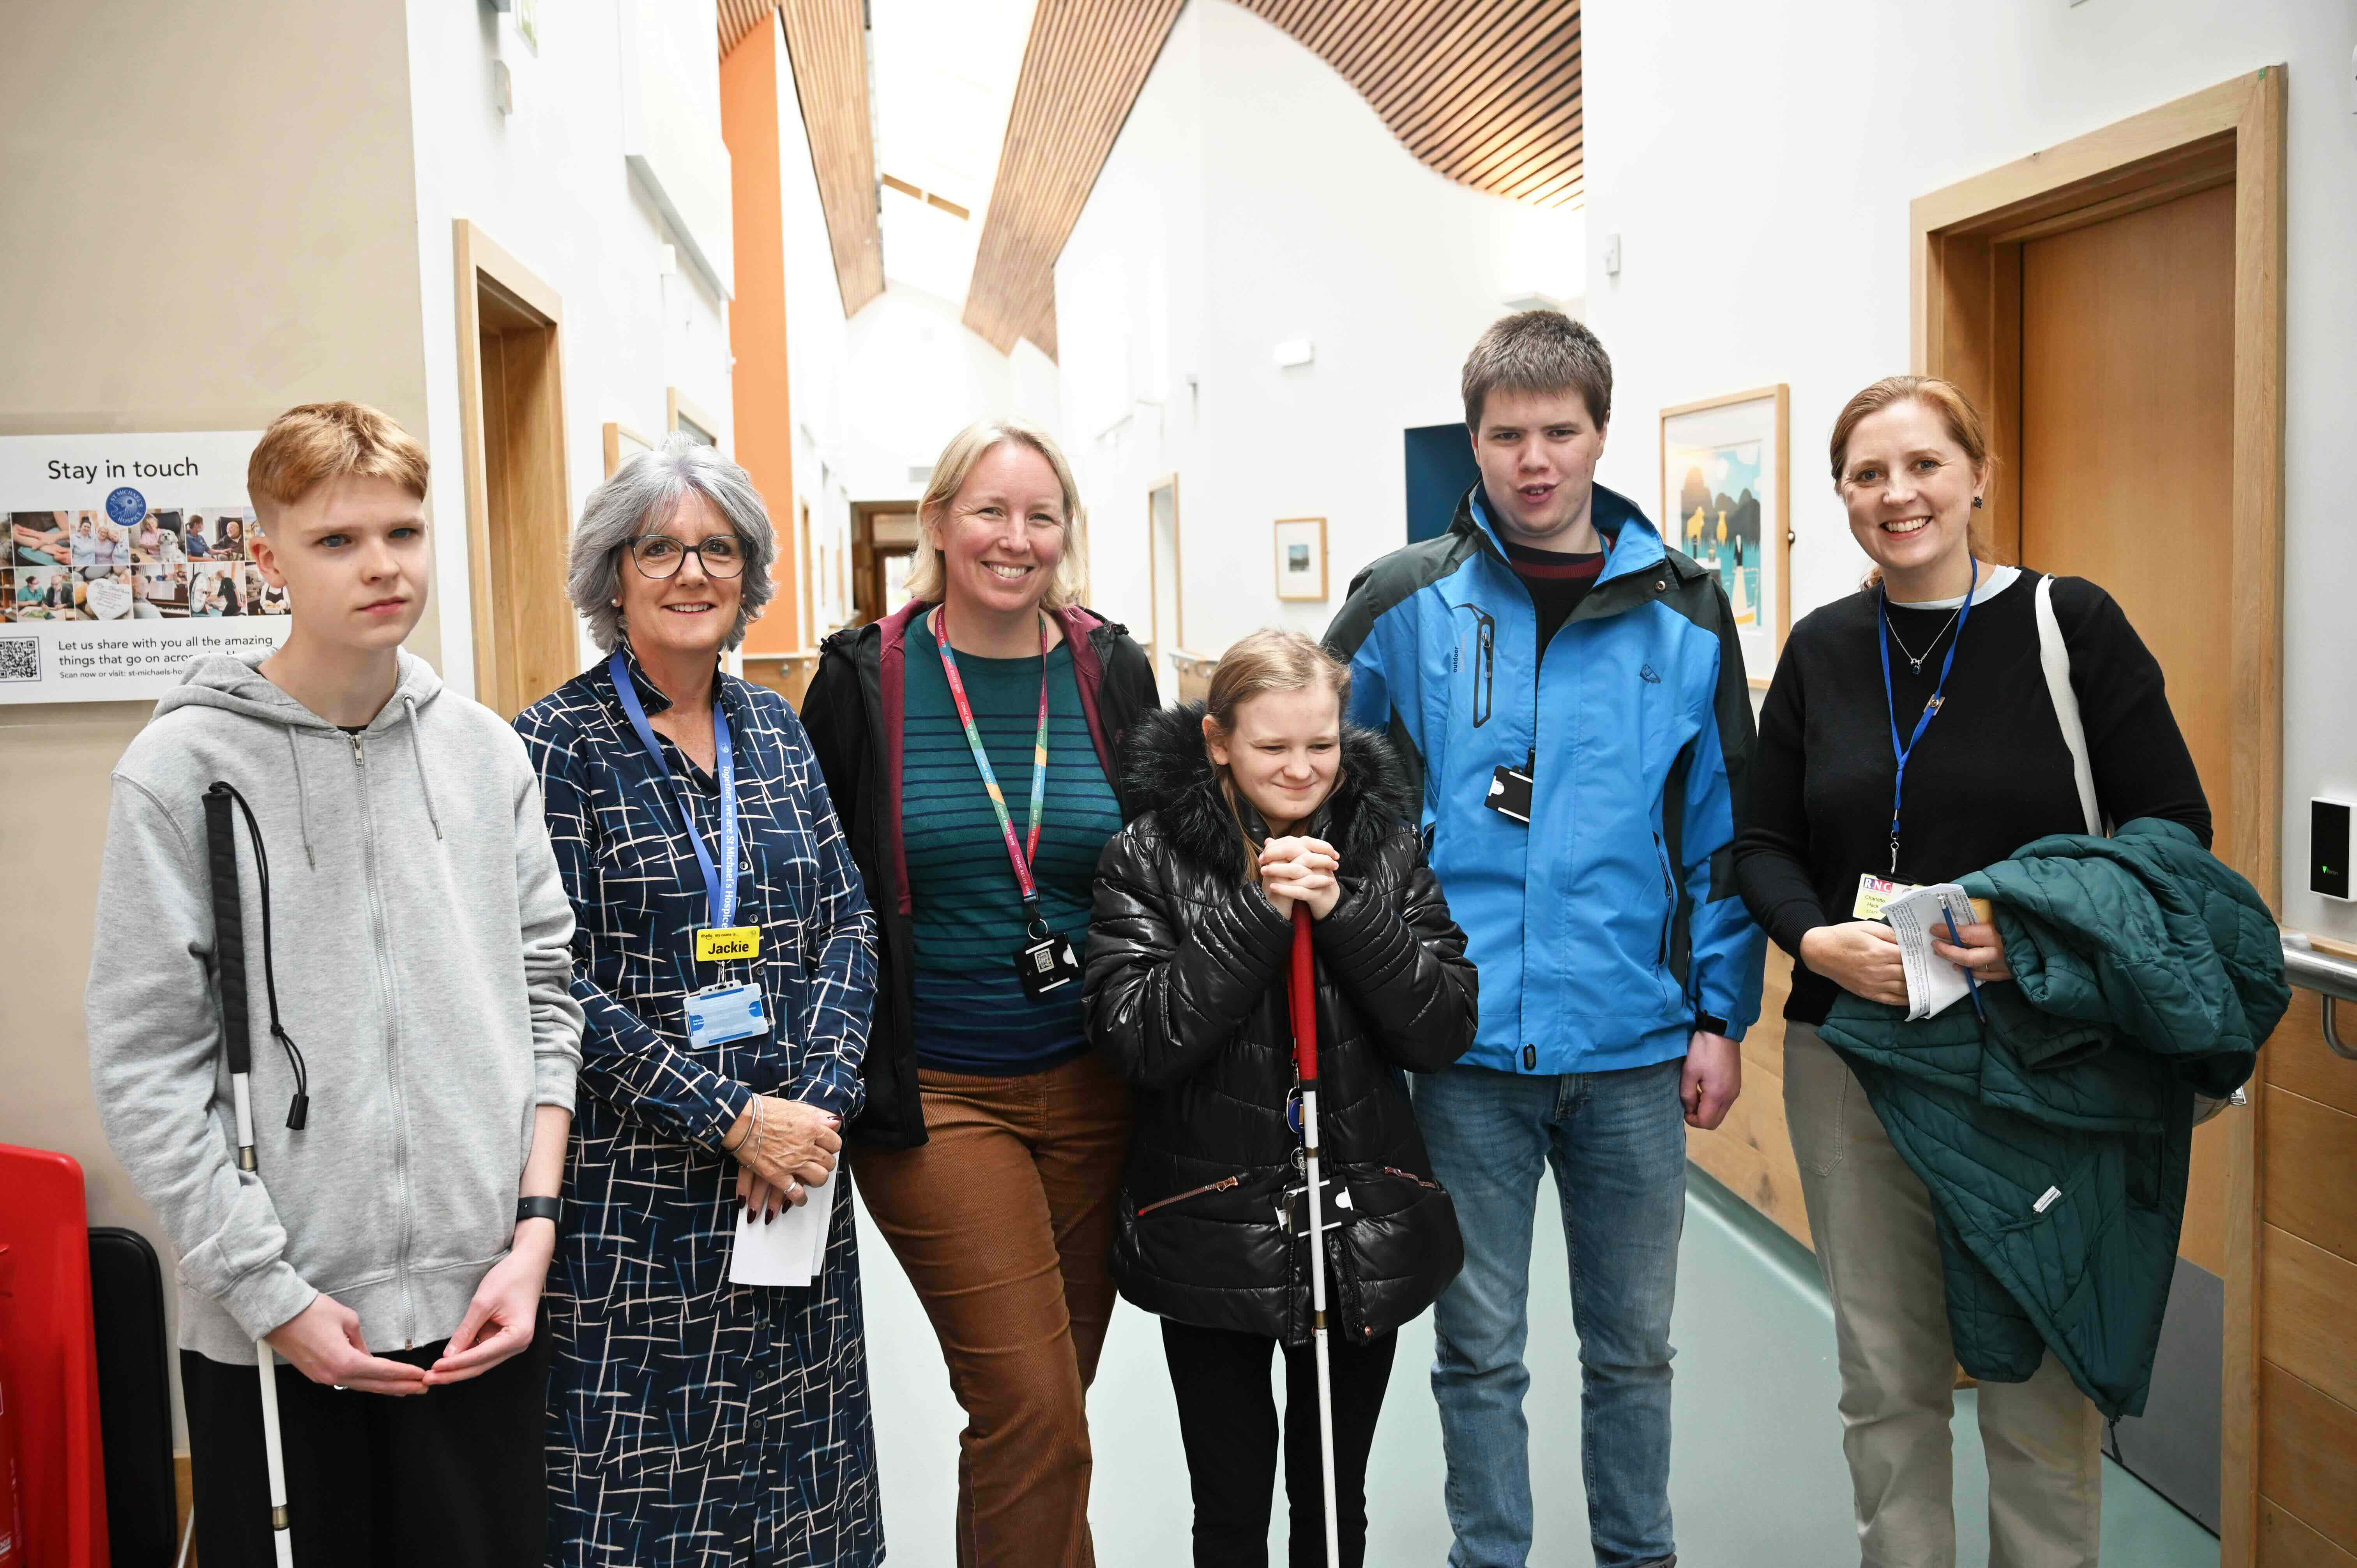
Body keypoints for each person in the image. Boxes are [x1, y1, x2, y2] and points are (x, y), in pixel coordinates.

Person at [85, 401, 583, 1567]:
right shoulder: (181, 772)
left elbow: (547, 995)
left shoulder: (484, 754)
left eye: (404, 534)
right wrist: (272, 1293)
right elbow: (146, 1065)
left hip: (483, 1312)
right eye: (337, 541)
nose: (381, 567)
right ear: (266, 559)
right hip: (284, 1326)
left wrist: (533, 1234)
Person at [1732, 376, 2212, 1567]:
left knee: (2040, 1389)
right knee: (1887, 1384)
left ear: (1978, 476)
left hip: (2032, 1059)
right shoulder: (1824, 648)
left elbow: (2172, 832)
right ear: (1841, 496)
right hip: (1856, 1055)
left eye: (1924, 466)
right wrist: (1814, 939)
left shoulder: (2070, 625)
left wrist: (2032, 934)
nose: (1898, 495)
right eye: (1867, 475)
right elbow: (1760, 843)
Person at [1323, 310, 1763, 1568]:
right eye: (1506, 433)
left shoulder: (1682, 610)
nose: (1532, 458)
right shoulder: (1403, 601)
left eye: (1556, 431)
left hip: (1631, 1046)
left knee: (1632, 1350)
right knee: (1477, 1350)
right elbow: (1318, 793)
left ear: (1597, 435)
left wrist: (1719, 1015)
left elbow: (1717, 827)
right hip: (1460, 1051)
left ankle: (1637, 1555)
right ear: (1474, 438)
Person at [516, 436, 883, 1567]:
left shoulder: (775, 728)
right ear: (612, 573)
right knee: (647, 1503)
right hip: (636, 1205)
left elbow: (849, 925)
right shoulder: (553, 747)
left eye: (716, 549)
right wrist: (730, 1118)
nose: (690, 572)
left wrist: (811, 1109)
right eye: (660, 548)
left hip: (791, 1184)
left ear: (748, 575)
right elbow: (551, 979)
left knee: (801, 1490)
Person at [800, 417, 1157, 1567]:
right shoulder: (865, 679)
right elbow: (813, 882)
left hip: (1100, 1086)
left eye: (1040, 515)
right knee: (1033, 1408)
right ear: (941, 523)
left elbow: (1167, 860)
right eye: (990, 512)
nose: (1015, 538)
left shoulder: (1111, 670)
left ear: (1067, 533)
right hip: (941, 1094)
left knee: (1050, 1407)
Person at [1086, 629, 1476, 1568]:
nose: (1303, 770)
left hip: (1355, 1227)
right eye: (1272, 747)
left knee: (1336, 1496)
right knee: (1229, 1504)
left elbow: (1443, 1024)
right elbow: (1138, 1035)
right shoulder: (1146, 856)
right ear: (1218, 740)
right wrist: (1257, 912)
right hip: (1210, 1229)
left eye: (1324, 744)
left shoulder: (1381, 842)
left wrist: (1347, 911)